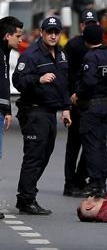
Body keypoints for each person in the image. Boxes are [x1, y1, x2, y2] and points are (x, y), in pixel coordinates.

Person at [12, 17, 71, 215]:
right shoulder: (31, 55)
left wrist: (66, 108)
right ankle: (26, 199)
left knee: (44, 155)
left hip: (50, 112)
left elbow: (64, 83)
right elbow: (18, 80)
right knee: (34, 156)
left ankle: (27, 196)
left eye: (56, 32)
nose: (53, 35)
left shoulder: (61, 54)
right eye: (49, 32)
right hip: (34, 111)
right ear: (42, 32)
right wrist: (39, 79)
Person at [72, 24, 107, 198]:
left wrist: (77, 94)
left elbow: (89, 81)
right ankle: (102, 182)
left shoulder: (91, 57)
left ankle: (95, 183)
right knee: (101, 145)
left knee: (91, 146)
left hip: (91, 105)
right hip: (106, 104)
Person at [63, 9, 98, 197]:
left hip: (92, 103)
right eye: (86, 24)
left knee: (91, 144)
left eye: (92, 24)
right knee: (74, 144)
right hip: (76, 102)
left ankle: (80, 177)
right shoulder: (74, 45)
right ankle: (70, 182)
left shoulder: (99, 47)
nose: (89, 27)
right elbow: (65, 73)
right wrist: (68, 98)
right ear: (81, 25)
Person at [0, 16, 23, 220]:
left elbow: (4, 82)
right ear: (7, 35)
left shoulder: (4, 51)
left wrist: (7, 110)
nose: (20, 40)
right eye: (18, 36)